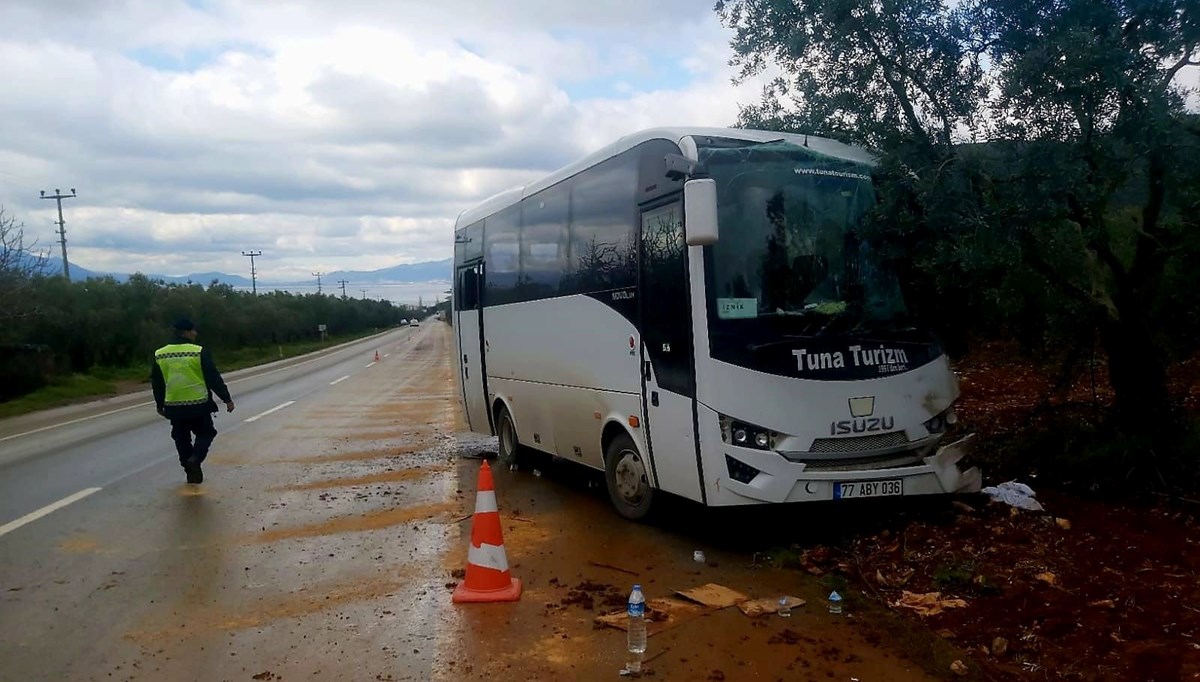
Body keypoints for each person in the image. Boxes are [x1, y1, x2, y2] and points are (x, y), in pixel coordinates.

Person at [150, 318, 235, 484]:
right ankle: (195, 460)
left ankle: (190, 471)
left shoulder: (160, 354)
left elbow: (157, 382)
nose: (195, 333)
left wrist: (159, 404)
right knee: (206, 433)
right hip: (199, 404)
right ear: (186, 332)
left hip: (174, 405)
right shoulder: (198, 351)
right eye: (193, 330)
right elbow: (213, 377)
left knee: (181, 439)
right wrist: (226, 399)